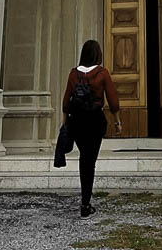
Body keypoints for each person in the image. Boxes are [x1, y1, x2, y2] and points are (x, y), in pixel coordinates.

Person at [62, 39, 121, 217]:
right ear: (98, 55)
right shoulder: (102, 73)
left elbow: (66, 101)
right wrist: (117, 121)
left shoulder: (74, 74)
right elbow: (113, 100)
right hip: (95, 120)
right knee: (90, 160)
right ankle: (86, 203)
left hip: (77, 121)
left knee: (84, 158)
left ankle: (85, 201)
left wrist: (65, 124)